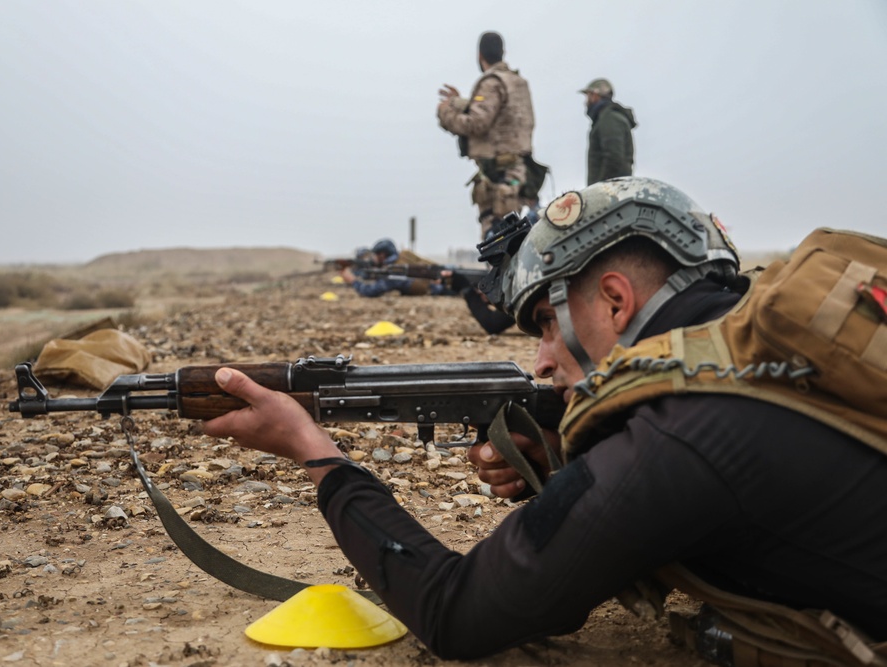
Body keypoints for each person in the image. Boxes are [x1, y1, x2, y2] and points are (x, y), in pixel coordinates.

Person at [201, 178, 887, 662]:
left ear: (615, 299)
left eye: (548, 324)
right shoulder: (763, 355)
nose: (542, 360)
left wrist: (317, 454)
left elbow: (456, 612)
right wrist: (560, 458)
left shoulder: (676, 436)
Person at [437, 31, 539, 240]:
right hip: (518, 173)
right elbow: (501, 116)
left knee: (497, 245)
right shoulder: (517, 82)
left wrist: (445, 112)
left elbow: (477, 123)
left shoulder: (492, 82)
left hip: (499, 177)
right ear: (503, 53)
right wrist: (459, 102)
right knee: (511, 240)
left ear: (480, 55)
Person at [340, 238, 449, 297]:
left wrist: (353, 281)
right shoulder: (402, 259)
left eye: (375, 256)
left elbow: (371, 291)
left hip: (445, 289)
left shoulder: (395, 271)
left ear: (382, 255)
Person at [580, 78, 637, 185]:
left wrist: (600, 188)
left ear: (595, 95)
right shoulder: (605, 118)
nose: (585, 102)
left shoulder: (609, 118)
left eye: (588, 96)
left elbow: (614, 157)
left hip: (611, 191)